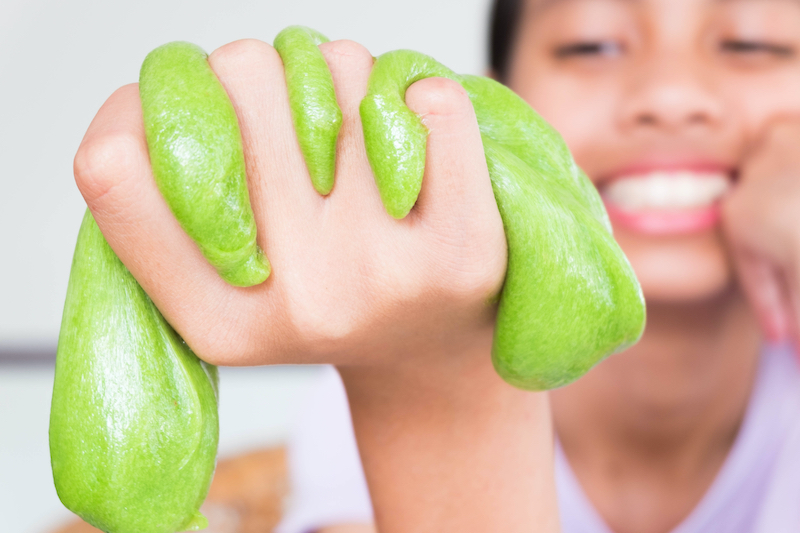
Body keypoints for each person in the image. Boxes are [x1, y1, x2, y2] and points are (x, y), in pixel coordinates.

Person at [72, 0, 800, 531]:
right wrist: (428, 370)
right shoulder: (343, 420)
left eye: (753, 44)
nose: (670, 98)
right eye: (592, 46)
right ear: (495, 96)